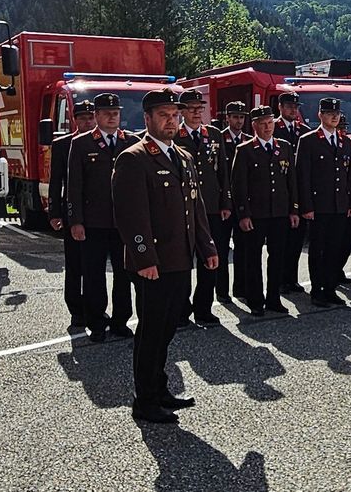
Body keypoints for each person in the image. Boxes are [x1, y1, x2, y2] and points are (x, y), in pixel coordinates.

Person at [111, 88, 219, 424]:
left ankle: (160, 388)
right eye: (163, 115)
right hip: (153, 264)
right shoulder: (134, 157)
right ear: (147, 119)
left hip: (180, 258)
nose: (171, 121)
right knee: (151, 330)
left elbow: (195, 208)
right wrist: (144, 259)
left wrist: (207, 246)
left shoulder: (182, 157)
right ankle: (145, 400)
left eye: (175, 115)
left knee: (171, 323)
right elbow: (131, 216)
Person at [67, 93, 138, 342]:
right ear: (96, 116)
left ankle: (121, 321)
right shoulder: (82, 143)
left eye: (116, 113)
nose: (112, 117)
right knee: (94, 275)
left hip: (124, 223)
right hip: (94, 222)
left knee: (124, 273)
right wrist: (75, 220)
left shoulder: (131, 141)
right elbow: (74, 185)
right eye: (107, 113)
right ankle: (96, 322)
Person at [230, 106, 298, 316]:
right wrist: (243, 214)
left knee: (277, 257)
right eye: (263, 123)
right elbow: (238, 185)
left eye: (270, 123)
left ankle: (274, 298)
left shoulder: (284, 147)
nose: (268, 127)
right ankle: (255, 299)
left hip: (279, 212)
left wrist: (294, 209)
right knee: (252, 258)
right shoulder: (245, 149)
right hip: (256, 214)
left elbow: (291, 181)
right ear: (255, 126)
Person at [175, 90, 231, 325]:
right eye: (191, 108)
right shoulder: (174, 136)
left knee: (211, 258)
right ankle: (181, 309)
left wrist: (226, 202)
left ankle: (204, 308)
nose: (197, 112)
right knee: (183, 261)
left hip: (211, 207)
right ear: (182, 111)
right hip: (184, 209)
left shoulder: (214, 134)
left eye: (200, 108)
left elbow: (223, 172)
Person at [298, 98, 351, 306]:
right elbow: (303, 176)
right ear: (320, 116)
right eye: (329, 113)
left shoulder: (345, 142)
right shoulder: (309, 141)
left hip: (340, 205)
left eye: (337, 113)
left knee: (335, 248)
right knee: (318, 250)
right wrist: (306, 206)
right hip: (319, 205)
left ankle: (330, 287)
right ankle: (317, 290)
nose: (334, 116)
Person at [49, 100, 97, 329]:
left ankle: (93, 308)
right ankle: (76, 310)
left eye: (90, 118)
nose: (87, 122)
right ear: (75, 120)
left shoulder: (100, 143)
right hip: (72, 211)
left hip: (97, 214)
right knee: (75, 265)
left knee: (93, 266)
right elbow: (56, 181)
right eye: (83, 118)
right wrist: (54, 212)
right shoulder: (63, 144)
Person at [273, 92, 312, 294]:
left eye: (296, 107)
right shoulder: (273, 129)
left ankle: (292, 278)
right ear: (280, 107)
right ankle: (279, 279)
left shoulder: (304, 131)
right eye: (289, 106)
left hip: (300, 189)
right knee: (281, 241)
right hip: (281, 190)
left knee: (297, 240)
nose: (293, 110)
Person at [219, 101, 251, 299]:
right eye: (235, 117)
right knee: (222, 250)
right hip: (224, 201)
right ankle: (222, 292)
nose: (238, 121)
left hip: (243, 202)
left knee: (244, 249)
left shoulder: (248, 140)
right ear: (227, 118)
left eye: (241, 117)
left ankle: (240, 288)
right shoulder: (218, 139)